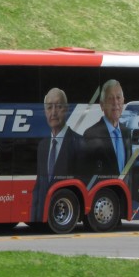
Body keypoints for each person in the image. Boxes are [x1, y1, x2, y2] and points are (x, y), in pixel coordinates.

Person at [31, 88, 82, 221]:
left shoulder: (79, 142)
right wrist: (34, 219)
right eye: (49, 107)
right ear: (45, 111)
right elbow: (39, 187)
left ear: (66, 109)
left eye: (58, 106)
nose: (53, 112)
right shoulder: (42, 146)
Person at [83, 79, 132, 184]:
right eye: (110, 98)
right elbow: (87, 174)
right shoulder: (91, 134)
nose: (115, 103)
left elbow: (129, 173)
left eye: (118, 98)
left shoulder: (127, 132)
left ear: (123, 102)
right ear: (102, 105)